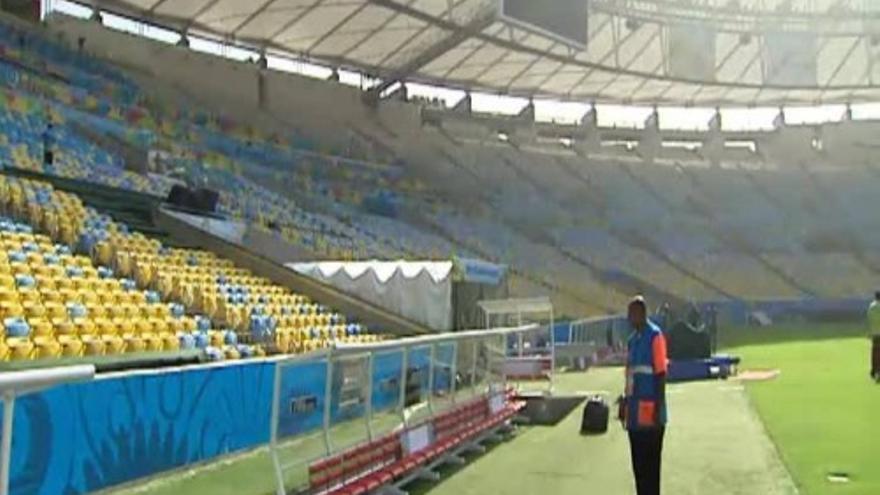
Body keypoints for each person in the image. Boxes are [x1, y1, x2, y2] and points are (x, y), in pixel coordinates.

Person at [621, 295, 668, 495]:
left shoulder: (655, 336)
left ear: (642, 313)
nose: (629, 318)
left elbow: (661, 373)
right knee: (638, 468)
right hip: (634, 416)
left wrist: (659, 408)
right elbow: (631, 375)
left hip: (651, 414)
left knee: (651, 469)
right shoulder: (632, 341)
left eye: (632, 313)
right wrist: (624, 402)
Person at [868, 292, 880, 382]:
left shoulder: (871, 306)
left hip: (874, 332)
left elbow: (869, 319)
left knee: (874, 351)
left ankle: (873, 370)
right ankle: (878, 370)